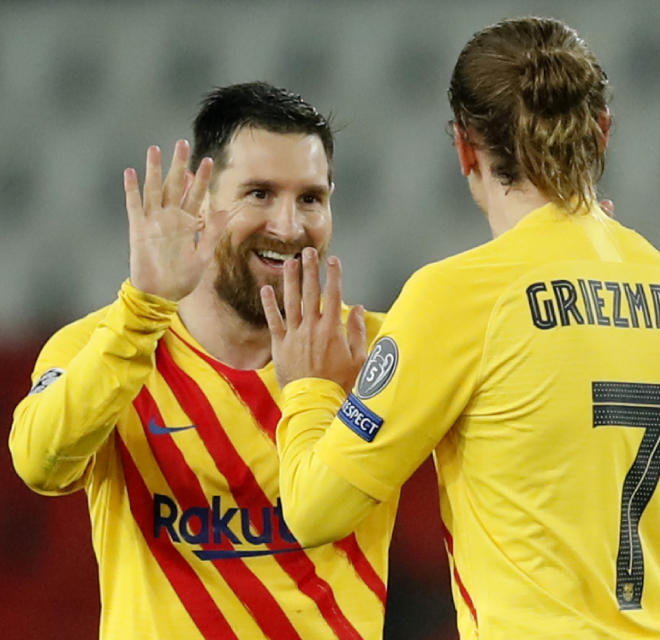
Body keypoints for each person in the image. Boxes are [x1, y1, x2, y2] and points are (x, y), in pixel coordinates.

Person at [265, 16, 660, 640]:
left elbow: (312, 510)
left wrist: (308, 388)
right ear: (601, 134)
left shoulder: (457, 297)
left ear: (465, 147)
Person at [9, 81, 397, 640]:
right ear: (203, 198)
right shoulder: (103, 343)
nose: (289, 227)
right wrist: (141, 314)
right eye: (260, 193)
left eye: (310, 198)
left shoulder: (375, 351)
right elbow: (40, 466)